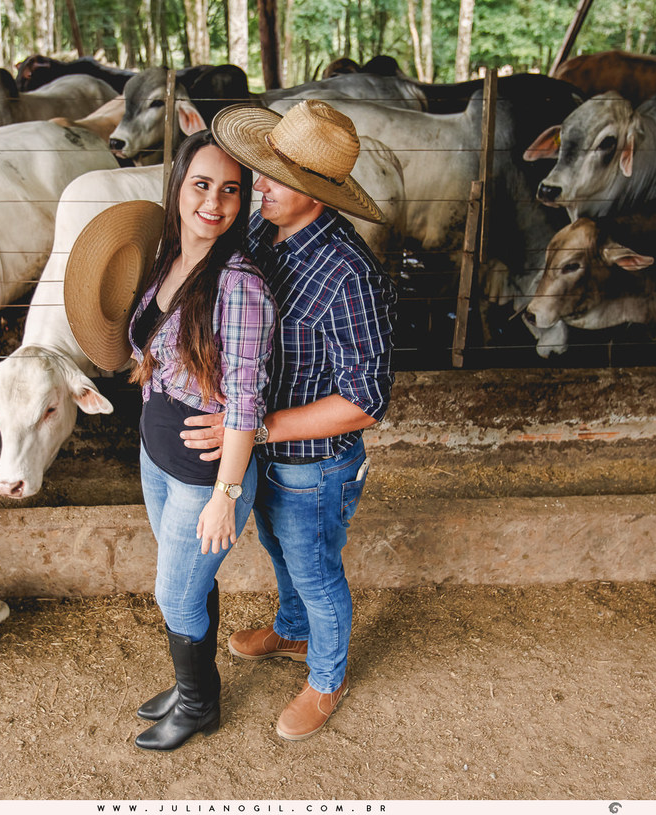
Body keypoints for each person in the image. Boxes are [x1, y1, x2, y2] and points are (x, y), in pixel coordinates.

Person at [184, 100, 396, 741]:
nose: (259, 186)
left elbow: (366, 401)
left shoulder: (351, 276)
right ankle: (293, 632)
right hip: (261, 446)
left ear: (318, 194)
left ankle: (327, 679)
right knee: (278, 547)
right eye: (262, 172)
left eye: (274, 179)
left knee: (316, 568)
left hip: (315, 461)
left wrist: (256, 427)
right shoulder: (258, 230)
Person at [99, 130, 276, 752]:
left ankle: (200, 705)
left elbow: (247, 400)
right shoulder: (165, 261)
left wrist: (227, 495)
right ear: (178, 188)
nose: (215, 202)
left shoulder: (238, 285)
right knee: (191, 587)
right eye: (202, 185)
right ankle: (191, 685)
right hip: (157, 457)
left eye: (231, 191)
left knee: (173, 592)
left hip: (205, 475)